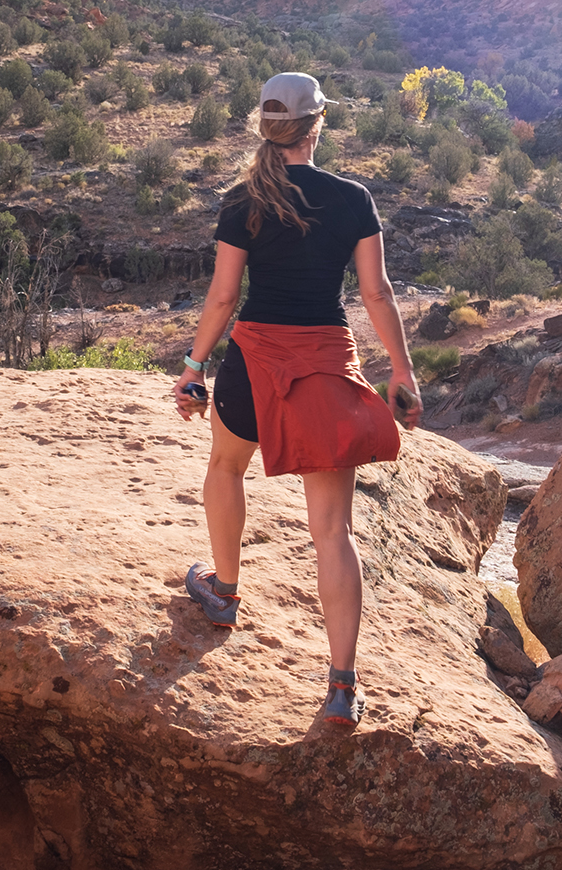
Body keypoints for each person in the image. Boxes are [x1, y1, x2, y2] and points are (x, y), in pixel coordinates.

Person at [172, 72, 423, 728]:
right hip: (324, 367)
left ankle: (224, 591)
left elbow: (223, 297)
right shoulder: (353, 198)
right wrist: (401, 370)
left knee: (225, 466)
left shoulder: (242, 199)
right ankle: (341, 686)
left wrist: (194, 367)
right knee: (333, 531)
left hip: (253, 361)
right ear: (319, 125)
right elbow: (377, 294)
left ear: (265, 127)